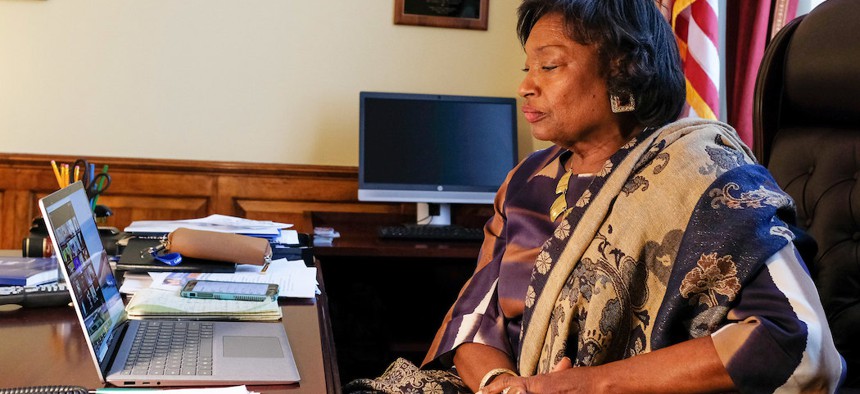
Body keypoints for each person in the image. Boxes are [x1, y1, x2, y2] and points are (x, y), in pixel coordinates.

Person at [344, 0, 844, 393]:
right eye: (527, 67)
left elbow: (796, 342)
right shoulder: (525, 181)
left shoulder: (708, 179)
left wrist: (581, 386)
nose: (526, 86)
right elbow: (476, 324)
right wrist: (503, 386)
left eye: (550, 66)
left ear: (623, 69)